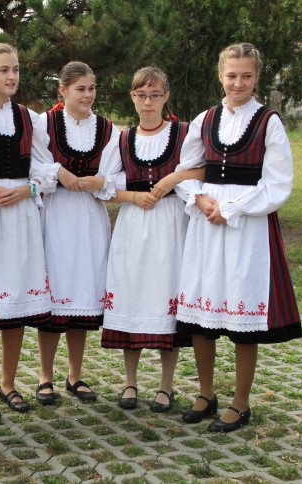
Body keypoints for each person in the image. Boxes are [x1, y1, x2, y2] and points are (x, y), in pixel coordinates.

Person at [174, 43, 302, 433]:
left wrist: (231, 209)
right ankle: (205, 393)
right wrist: (200, 199)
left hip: (247, 226)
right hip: (206, 224)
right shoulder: (205, 119)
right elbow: (186, 170)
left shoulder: (269, 122)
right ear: (221, 76)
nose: (238, 83)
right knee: (203, 313)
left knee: (243, 315)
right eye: (232, 75)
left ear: (257, 77)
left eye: (246, 76)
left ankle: (241, 403)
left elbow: (277, 183)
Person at [0, 43, 79, 418]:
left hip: (22, 216)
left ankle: (7, 383)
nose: (12, 76)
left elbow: (44, 166)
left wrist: (29, 189)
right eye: (4, 70)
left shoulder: (28, 118)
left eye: (16, 70)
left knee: (19, 304)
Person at [90, 66, 202, 412]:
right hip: (134, 225)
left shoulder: (183, 134)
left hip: (171, 223)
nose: (148, 102)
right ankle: (130, 381)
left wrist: (172, 181)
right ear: (133, 97)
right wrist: (135, 197)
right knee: (132, 295)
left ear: (166, 97)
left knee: (167, 294)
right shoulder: (122, 139)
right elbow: (105, 188)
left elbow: (201, 170)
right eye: (142, 96)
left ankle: (166, 385)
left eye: (155, 95)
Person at [35, 61, 116, 405]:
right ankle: (44, 375)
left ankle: (75, 375)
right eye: (80, 88)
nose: (87, 95)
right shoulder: (45, 123)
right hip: (56, 214)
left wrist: (101, 181)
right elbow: (34, 162)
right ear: (63, 90)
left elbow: (117, 172)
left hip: (89, 216)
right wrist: (59, 172)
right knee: (56, 295)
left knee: (82, 295)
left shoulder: (107, 128)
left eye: (92, 88)